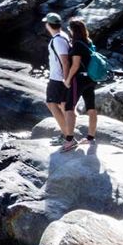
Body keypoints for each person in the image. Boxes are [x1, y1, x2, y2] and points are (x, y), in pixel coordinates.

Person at [64, 18, 99, 149]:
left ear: (73, 30)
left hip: (79, 79)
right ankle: (90, 138)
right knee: (91, 108)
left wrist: (67, 80)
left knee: (69, 107)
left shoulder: (77, 44)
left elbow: (75, 65)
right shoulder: (89, 42)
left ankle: (70, 139)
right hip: (91, 79)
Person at [42, 12, 74, 147]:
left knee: (51, 104)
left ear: (49, 25)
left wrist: (66, 80)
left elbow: (65, 62)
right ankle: (67, 135)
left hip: (58, 79)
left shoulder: (58, 40)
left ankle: (68, 137)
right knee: (62, 105)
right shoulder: (63, 36)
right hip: (60, 78)